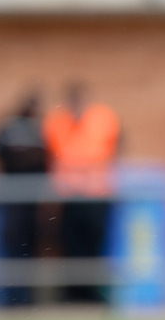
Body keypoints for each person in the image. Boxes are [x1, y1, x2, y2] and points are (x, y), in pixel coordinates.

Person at [43, 82, 122, 303]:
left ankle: (93, 293)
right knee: (71, 246)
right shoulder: (58, 122)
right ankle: (73, 293)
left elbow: (108, 149)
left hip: (96, 193)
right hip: (69, 195)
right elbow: (56, 152)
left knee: (95, 246)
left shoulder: (103, 118)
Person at [0, 91, 47, 305]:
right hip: (12, 199)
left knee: (29, 247)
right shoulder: (11, 129)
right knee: (13, 247)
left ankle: (25, 296)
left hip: (30, 202)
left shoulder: (39, 129)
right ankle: (11, 296)